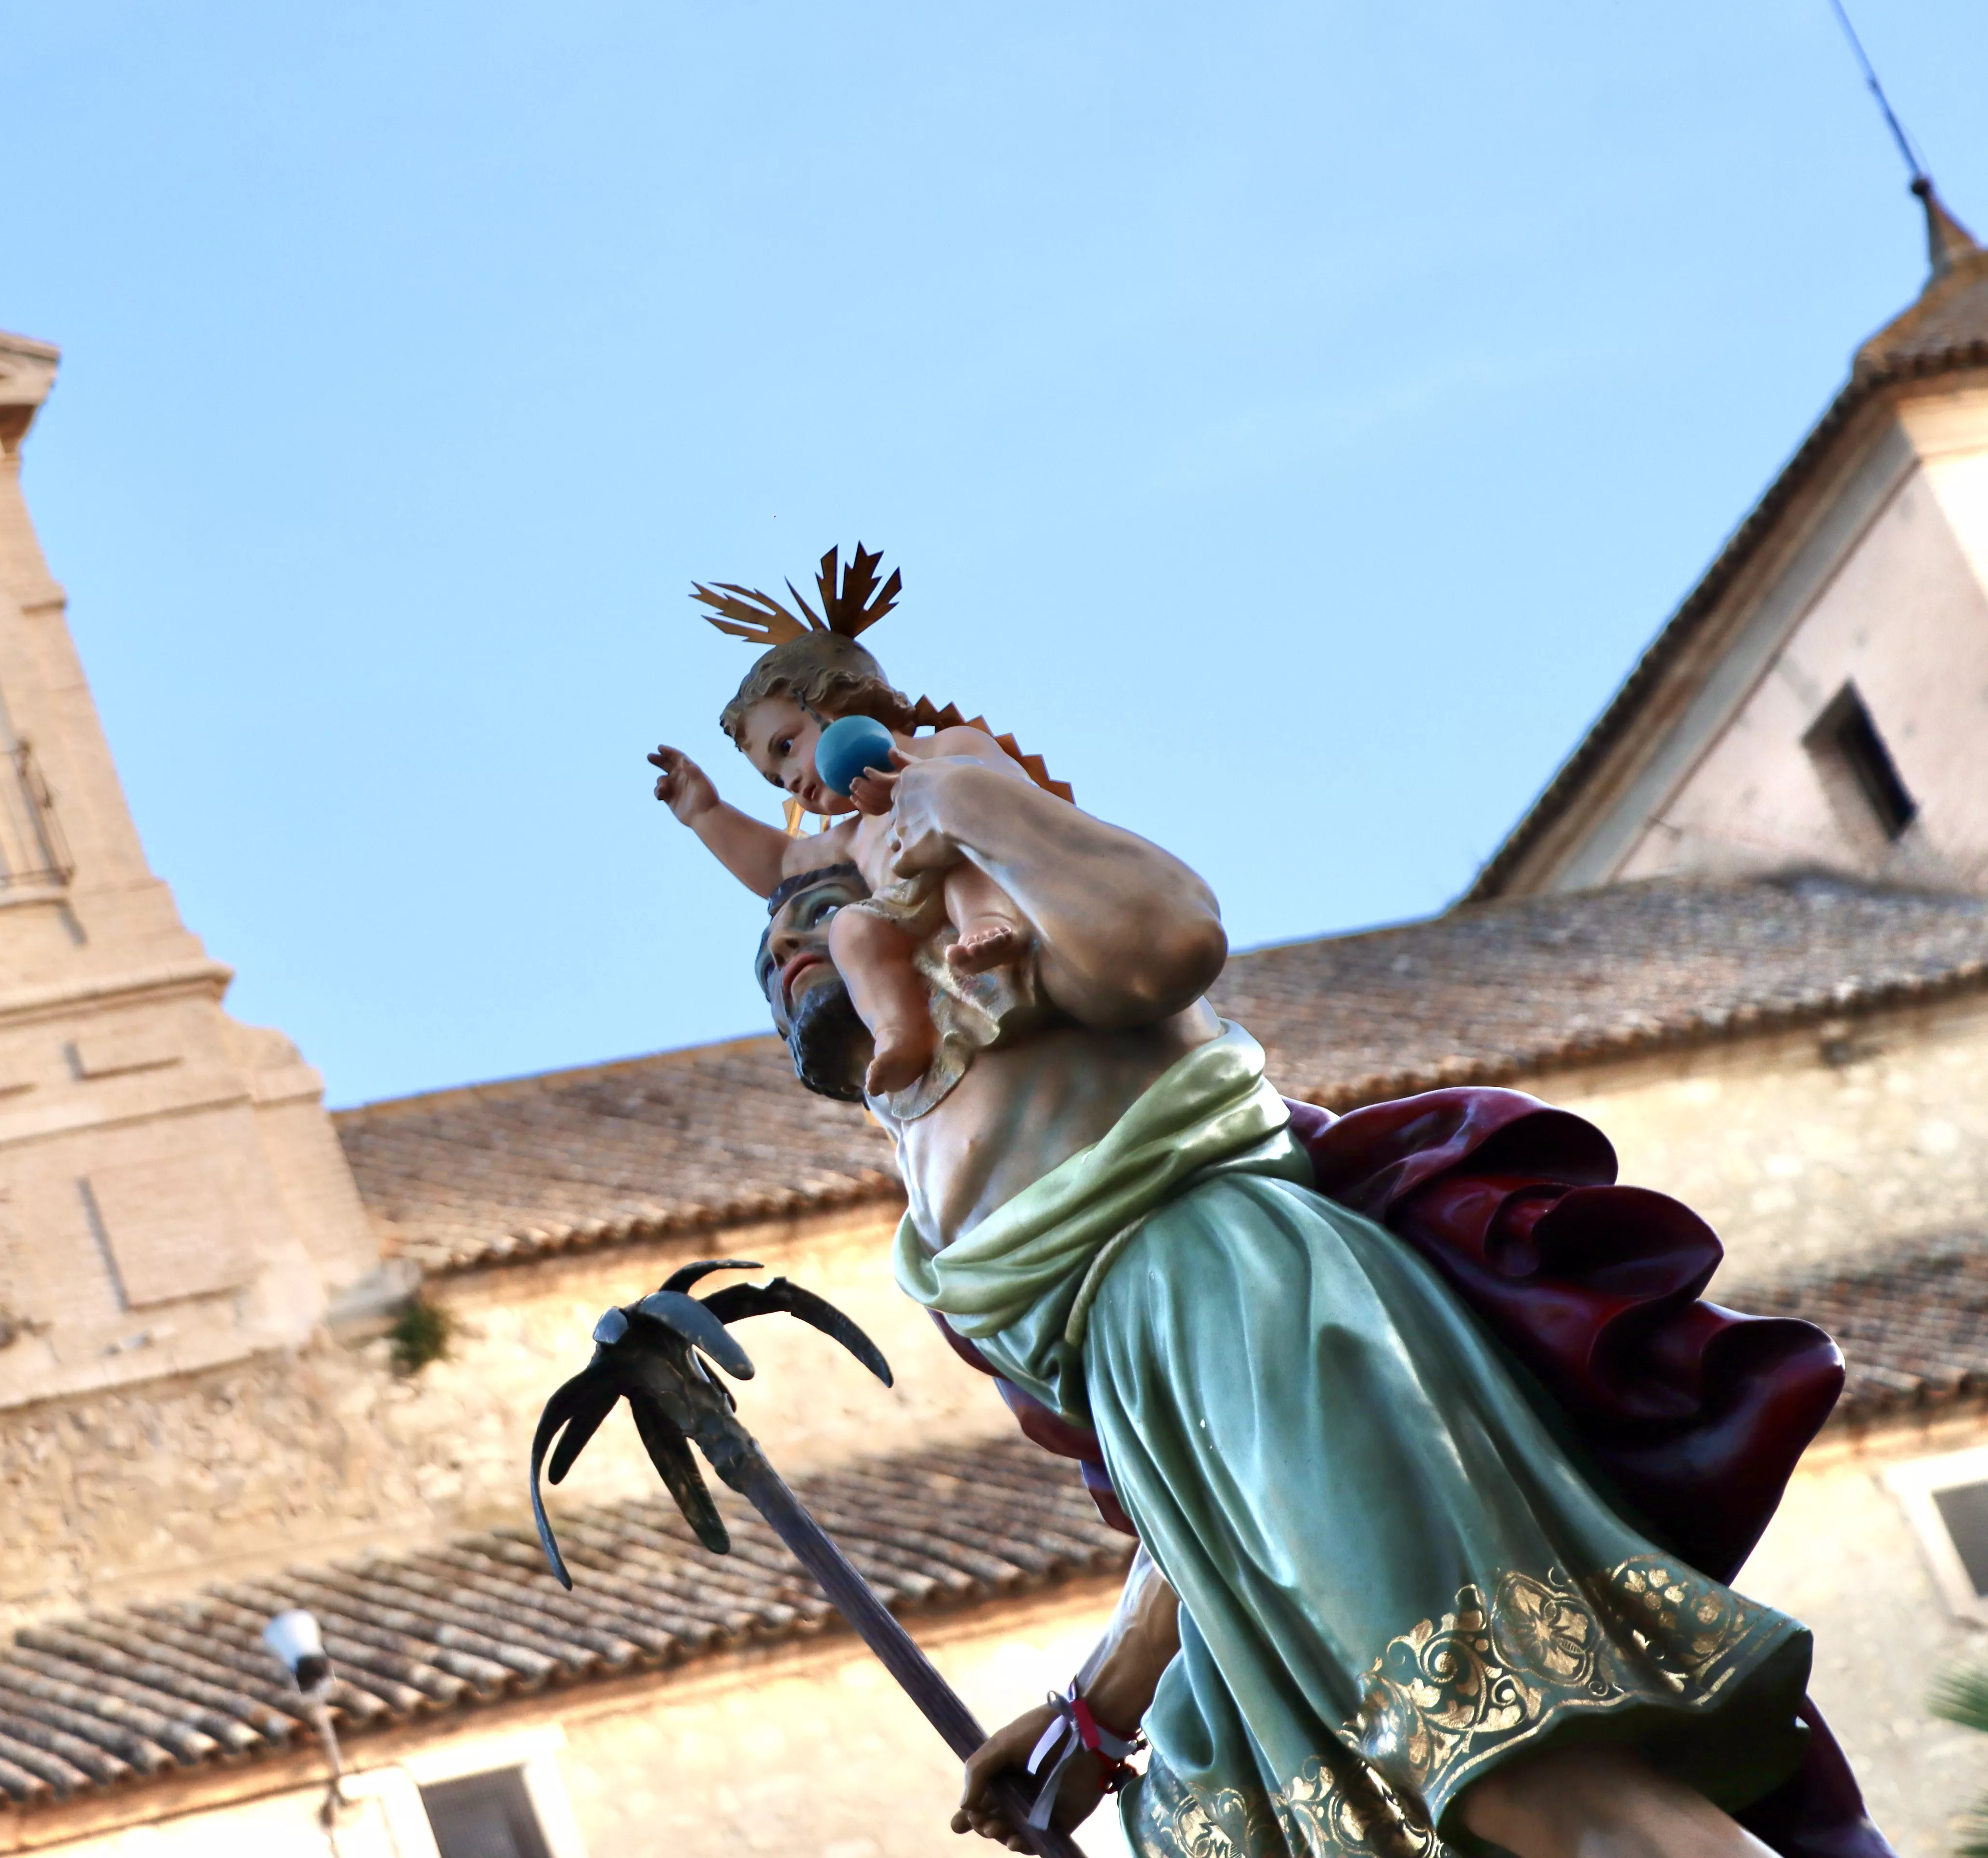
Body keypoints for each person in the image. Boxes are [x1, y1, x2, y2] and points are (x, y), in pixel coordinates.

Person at [693, 568, 1892, 1858]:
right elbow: (1207, 1502)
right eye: (778, 949)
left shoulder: (1002, 921)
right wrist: (1095, 1716)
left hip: (1245, 1303)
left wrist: (967, 795)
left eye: (815, 917)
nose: (794, 950)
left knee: (1511, 1767)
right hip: (1184, 1375)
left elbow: (1166, 941)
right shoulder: (936, 1093)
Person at [654, 546, 1063, 1101]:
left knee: (954, 859)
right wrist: (705, 814)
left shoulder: (944, 746)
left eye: (787, 746)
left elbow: (996, 796)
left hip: (973, 880)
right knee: (852, 929)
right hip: (902, 923)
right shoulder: (848, 836)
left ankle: (988, 926)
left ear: (836, 699)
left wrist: (909, 787)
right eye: (776, 779)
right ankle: (900, 1031)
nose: (792, 781)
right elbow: (778, 865)